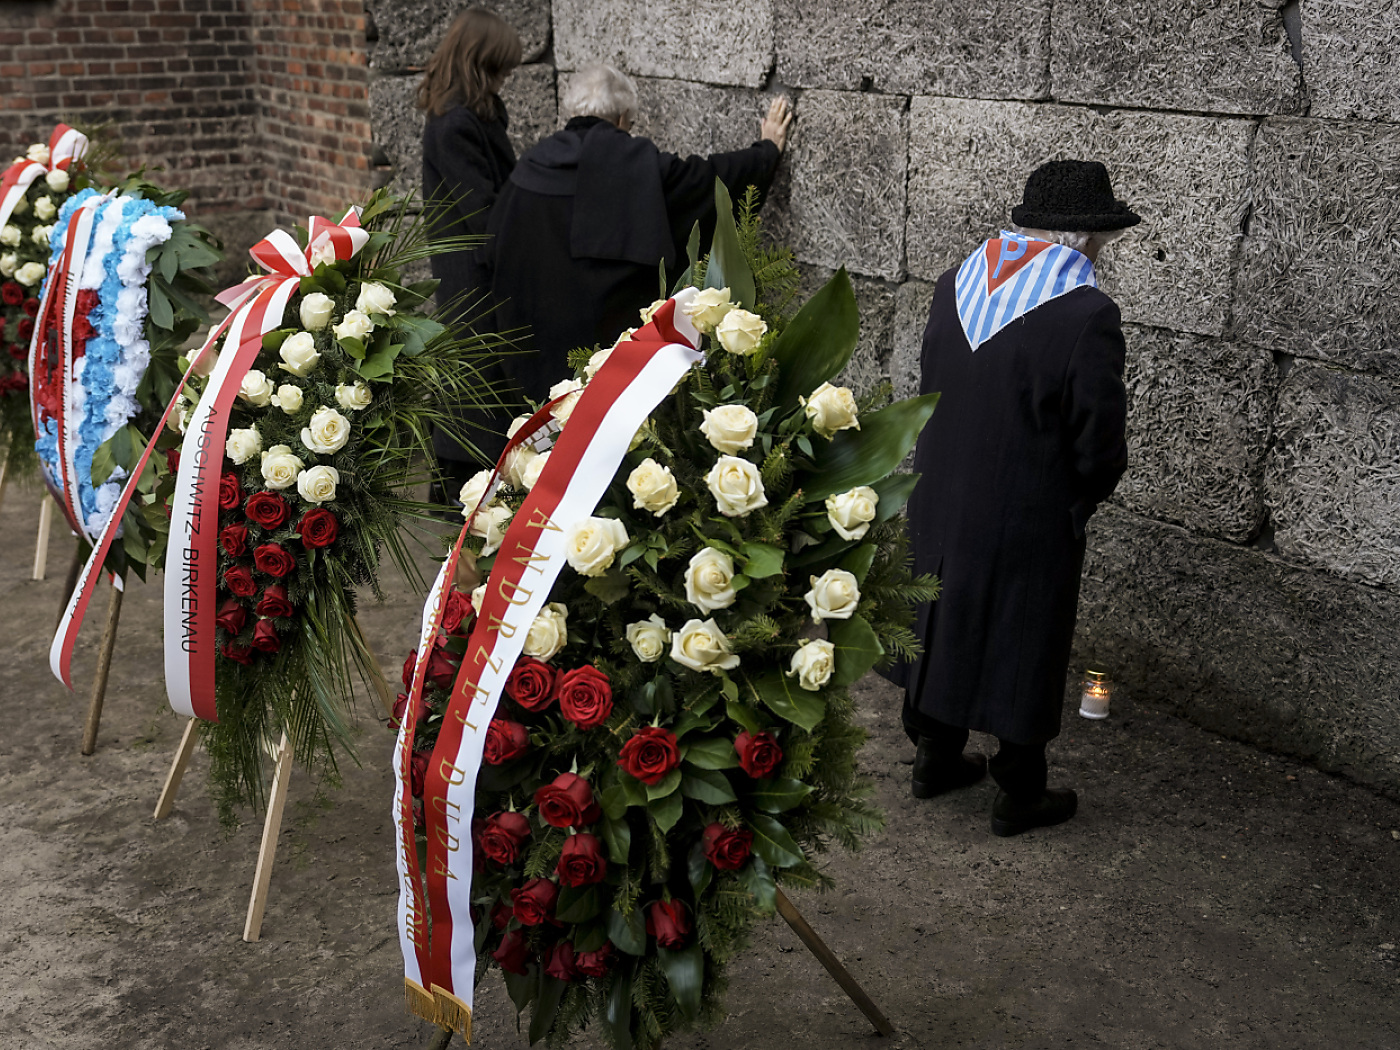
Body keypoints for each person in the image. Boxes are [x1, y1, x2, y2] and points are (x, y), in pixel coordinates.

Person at [899, 160, 1137, 837]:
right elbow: (1098, 440)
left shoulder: (954, 286)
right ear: (1084, 239)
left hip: (942, 493)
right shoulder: (1088, 313)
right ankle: (1019, 791)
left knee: (944, 613)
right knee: (1021, 635)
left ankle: (934, 755)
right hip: (1029, 506)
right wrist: (1085, 495)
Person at [481, 62, 793, 405]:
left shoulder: (530, 166)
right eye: (629, 125)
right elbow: (707, 183)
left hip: (532, 349)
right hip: (609, 361)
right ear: (619, 120)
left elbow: (493, 247)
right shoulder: (636, 164)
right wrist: (767, 151)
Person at [418, 6, 522, 476]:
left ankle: (471, 480)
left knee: (480, 379)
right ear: (480, 63)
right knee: (477, 381)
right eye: (499, 67)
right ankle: (458, 483)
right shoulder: (455, 124)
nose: (504, 78)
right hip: (471, 269)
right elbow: (481, 206)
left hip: (479, 263)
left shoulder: (474, 114)